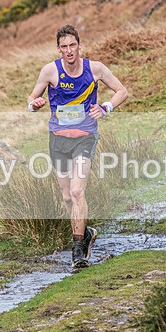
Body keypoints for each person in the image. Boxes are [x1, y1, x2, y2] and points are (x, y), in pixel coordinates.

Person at [27, 24, 129, 268]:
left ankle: (78, 253)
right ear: (59, 49)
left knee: (76, 192)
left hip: (85, 137)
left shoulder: (95, 69)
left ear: (79, 46)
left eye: (73, 45)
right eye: (64, 47)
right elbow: (31, 100)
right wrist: (36, 104)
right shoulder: (50, 71)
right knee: (65, 197)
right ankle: (87, 233)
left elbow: (122, 91)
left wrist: (106, 108)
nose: (69, 50)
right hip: (58, 140)